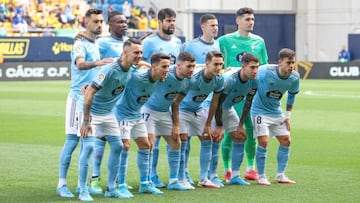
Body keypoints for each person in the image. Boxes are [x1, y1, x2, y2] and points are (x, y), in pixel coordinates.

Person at [56, 8, 112, 200]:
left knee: (88, 143)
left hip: (91, 99)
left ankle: (83, 185)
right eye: (95, 21)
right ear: (86, 22)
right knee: (72, 141)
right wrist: (97, 63)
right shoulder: (80, 44)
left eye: (100, 22)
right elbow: (80, 64)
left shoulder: (95, 43)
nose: (98, 25)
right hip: (76, 99)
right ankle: (61, 184)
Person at [78, 38, 143, 200]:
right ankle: (83, 189)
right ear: (125, 53)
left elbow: (145, 66)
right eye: (136, 52)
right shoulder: (110, 69)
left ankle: (111, 188)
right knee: (88, 148)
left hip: (108, 113)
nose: (139, 56)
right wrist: (86, 121)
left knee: (118, 146)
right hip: (90, 112)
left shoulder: (132, 68)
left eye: (141, 52)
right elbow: (90, 93)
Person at [218, 7, 268, 182]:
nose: (251, 22)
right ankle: (227, 169)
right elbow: (218, 64)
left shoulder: (259, 41)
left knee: (251, 130)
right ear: (238, 21)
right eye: (247, 19)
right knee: (231, 132)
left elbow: (263, 67)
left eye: (252, 19)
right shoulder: (224, 40)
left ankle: (250, 168)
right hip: (233, 92)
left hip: (252, 92)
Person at [114, 53, 170, 195]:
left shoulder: (160, 77)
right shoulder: (137, 77)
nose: (167, 70)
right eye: (164, 67)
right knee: (125, 146)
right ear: (154, 66)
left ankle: (145, 184)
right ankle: (120, 184)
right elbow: (125, 68)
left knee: (146, 145)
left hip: (136, 114)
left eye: (168, 66)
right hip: (122, 114)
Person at [87, 11, 129, 194]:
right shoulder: (102, 43)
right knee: (100, 140)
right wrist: (89, 85)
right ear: (110, 25)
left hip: (120, 100)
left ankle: (119, 182)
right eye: (119, 22)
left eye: (126, 22)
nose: (124, 25)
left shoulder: (129, 44)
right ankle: (95, 179)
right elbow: (93, 63)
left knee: (121, 143)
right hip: (102, 98)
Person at [141, 52, 195, 191]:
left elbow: (176, 103)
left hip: (165, 112)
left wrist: (176, 125)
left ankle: (173, 181)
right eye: (188, 66)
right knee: (150, 144)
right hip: (149, 110)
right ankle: (148, 180)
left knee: (176, 142)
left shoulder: (188, 81)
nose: (191, 70)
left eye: (193, 66)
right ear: (178, 66)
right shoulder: (165, 74)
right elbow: (148, 70)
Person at [171, 50, 224, 189]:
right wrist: (176, 124)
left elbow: (214, 102)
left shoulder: (219, 79)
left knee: (208, 139)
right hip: (183, 110)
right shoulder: (192, 78)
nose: (219, 67)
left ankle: (204, 178)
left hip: (199, 110)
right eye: (216, 64)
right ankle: (181, 178)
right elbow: (176, 102)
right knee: (182, 141)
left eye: (221, 64)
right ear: (207, 64)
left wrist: (208, 125)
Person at [142, 7, 182, 188]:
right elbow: (140, 64)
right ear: (159, 22)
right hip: (151, 98)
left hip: (168, 99)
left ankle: (176, 177)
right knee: (153, 141)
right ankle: (151, 175)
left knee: (174, 140)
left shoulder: (177, 42)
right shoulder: (149, 42)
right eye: (168, 21)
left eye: (173, 20)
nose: (172, 24)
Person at [181, 13, 220, 185]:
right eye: (212, 25)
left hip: (207, 98)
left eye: (216, 25)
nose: (216, 28)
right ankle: (184, 173)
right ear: (203, 27)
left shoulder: (218, 44)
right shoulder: (191, 45)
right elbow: (184, 68)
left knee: (209, 137)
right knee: (185, 139)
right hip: (188, 97)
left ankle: (209, 175)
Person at [252, 48, 299, 185]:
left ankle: (280, 175)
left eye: (293, 63)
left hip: (276, 112)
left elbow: (291, 96)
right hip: (259, 111)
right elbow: (250, 73)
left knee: (286, 140)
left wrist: (287, 116)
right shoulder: (265, 71)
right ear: (280, 62)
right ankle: (261, 176)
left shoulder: (294, 77)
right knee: (264, 141)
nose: (291, 66)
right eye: (288, 63)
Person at [211, 53, 259, 187]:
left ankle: (235, 176)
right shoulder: (230, 79)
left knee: (240, 136)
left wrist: (240, 125)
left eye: (257, 67)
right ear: (243, 67)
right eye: (252, 67)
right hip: (213, 109)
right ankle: (212, 175)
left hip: (228, 108)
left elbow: (248, 102)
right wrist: (219, 126)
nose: (255, 71)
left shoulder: (254, 81)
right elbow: (218, 103)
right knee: (215, 138)